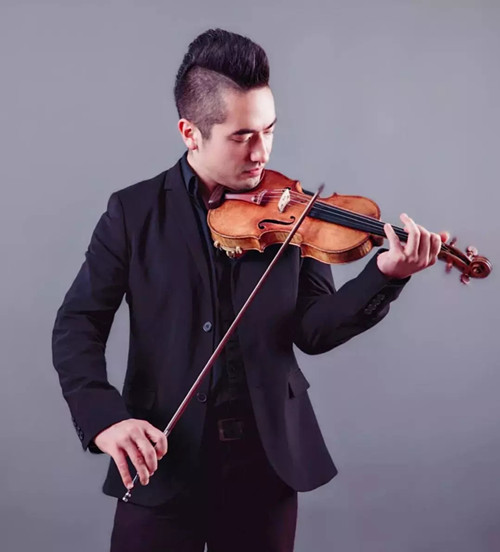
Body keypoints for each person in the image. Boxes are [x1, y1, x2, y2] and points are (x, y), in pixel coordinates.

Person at [52, 28, 446, 552]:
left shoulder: (293, 210)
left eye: (269, 130)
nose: (261, 153)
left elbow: (313, 330)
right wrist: (106, 420)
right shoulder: (134, 212)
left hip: (266, 465)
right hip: (163, 458)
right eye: (241, 137)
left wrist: (386, 274)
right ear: (190, 133)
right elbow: (76, 325)